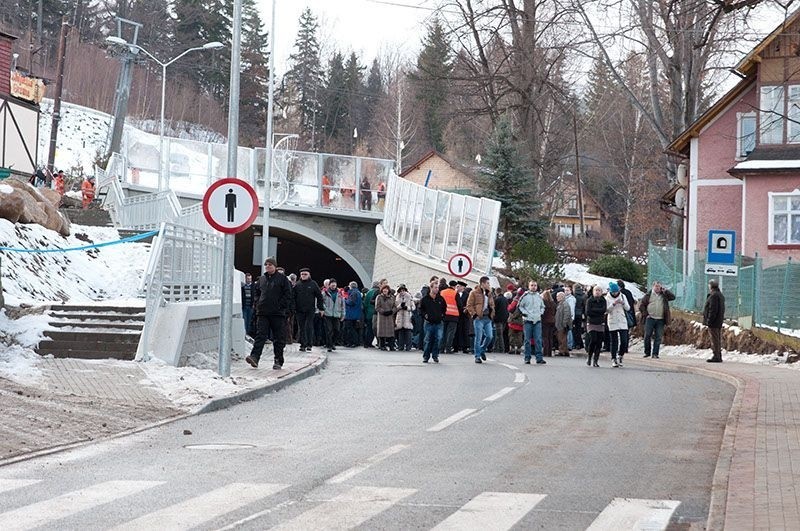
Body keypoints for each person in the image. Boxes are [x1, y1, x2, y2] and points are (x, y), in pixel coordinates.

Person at [246, 257, 293, 370]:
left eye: (270, 265)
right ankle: (255, 357)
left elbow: (288, 295)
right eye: (266, 264)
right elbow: (257, 293)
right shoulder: (262, 279)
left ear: (275, 266)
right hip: (263, 313)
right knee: (260, 335)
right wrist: (258, 303)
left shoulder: (282, 279)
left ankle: (278, 360)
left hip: (277, 314)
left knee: (278, 338)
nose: (267, 266)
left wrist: (280, 306)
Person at [639, 280, 676, 359]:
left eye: (659, 286)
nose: (657, 288)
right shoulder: (648, 295)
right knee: (647, 335)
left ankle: (655, 353)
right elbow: (641, 306)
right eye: (656, 286)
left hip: (660, 319)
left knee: (658, 336)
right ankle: (647, 352)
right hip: (650, 318)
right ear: (653, 286)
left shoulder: (664, 295)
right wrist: (646, 314)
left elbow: (673, 297)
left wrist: (666, 291)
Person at [292, 267, 325, 352]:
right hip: (299, 310)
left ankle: (309, 344)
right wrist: (293, 308)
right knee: (301, 327)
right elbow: (293, 297)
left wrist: (321, 308)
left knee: (309, 326)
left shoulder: (313, 284)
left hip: (310, 309)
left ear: (309, 275)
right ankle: (303, 344)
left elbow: (319, 296)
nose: (303, 276)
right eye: (302, 274)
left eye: (305, 274)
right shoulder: (297, 285)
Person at [466, 276, 495, 364]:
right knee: (478, 337)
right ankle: (477, 356)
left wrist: (492, 312)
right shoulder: (474, 293)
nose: (489, 285)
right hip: (479, 318)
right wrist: (474, 315)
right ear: (482, 283)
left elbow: (492, 304)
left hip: (487, 318)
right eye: (487, 283)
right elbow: (469, 305)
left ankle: (482, 349)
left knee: (490, 336)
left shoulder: (489, 293)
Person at [419, 281, 447, 363]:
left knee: (438, 339)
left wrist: (442, 316)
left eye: (438, 288)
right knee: (427, 340)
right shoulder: (425, 299)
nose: (437, 289)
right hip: (428, 323)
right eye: (435, 287)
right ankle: (426, 356)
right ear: (431, 288)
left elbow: (444, 308)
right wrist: (425, 315)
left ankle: (435, 355)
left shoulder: (441, 299)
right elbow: (420, 309)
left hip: (439, 322)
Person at [519, 281, 545, 365]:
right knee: (527, 340)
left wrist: (541, 312)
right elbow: (520, 306)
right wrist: (525, 313)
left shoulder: (539, 296)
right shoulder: (525, 296)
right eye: (532, 285)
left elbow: (542, 306)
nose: (533, 287)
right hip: (528, 320)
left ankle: (539, 358)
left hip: (537, 320)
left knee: (538, 339)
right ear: (529, 286)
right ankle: (527, 357)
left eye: (535, 285)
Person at [605, 282, 631, 367]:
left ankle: (620, 355)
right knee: (614, 341)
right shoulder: (607, 298)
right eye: (613, 292)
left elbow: (628, 308)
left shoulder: (623, 296)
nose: (615, 293)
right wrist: (613, 304)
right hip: (612, 320)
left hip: (622, 320)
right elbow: (606, 310)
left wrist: (623, 303)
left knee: (624, 340)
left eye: (616, 292)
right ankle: (613, 358)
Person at [703, 279, 726, 362]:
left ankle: (716, 356)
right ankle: (718, 355)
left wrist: (709, 320)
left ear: (711, 286)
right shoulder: (719, 295)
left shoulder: (714, 296)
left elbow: (713, 309)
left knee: (714, 339)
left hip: (714, 322)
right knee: (717, 339)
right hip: (718, 321)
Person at [585, 285, 607, 367]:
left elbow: (603, 310)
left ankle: (596, 360)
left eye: (599, 290)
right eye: (596, 290)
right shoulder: (589, 300)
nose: (597, 292)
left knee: (599, 342)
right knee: (593, 340)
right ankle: (589, 356)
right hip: (591, 322)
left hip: (600, 322)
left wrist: (595, 310)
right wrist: (598, 311)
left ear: (601, 292)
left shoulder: (603, 300)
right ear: (593, 291)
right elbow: (588, 312)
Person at [322, 278, 345, 352]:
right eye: (332, 285)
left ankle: (333, 343)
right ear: (329, 285)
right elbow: (320, 301)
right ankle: (329, 345)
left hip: (337, 314)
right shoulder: (325, 293)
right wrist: (324, 309)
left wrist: (343, 314)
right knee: (329, 330)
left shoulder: (340, 294)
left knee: (337, 330)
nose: (333, 286)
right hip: (328, 314)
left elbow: (343, 305)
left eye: (334, 285)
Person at [617, 279, 636, 357]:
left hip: (623, 314)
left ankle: (621, 348)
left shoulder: (621, 294)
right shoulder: (628, 292)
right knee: (626, 332)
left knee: (620, 332)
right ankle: (625, 347)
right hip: (629, 314)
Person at [440, 280, 460, 353]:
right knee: (450, 333)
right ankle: (448, 349)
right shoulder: (455, 293)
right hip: (453, 316)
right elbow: (459, 305)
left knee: (443, 332)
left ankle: (441, 348)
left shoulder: (442, 292)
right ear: (454, 286)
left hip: (443, 315)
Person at [375, 284, 397, 350]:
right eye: (384, 289)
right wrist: (383, 312)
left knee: (390, 332)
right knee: (382, 331)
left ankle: (391, 346)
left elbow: (395, 306)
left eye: (386, 289)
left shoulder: (392, 297)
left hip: (390, 316)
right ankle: (382, 345)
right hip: (382, 316)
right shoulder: (379, 297)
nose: (385, 290)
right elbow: (377, 307)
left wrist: (391, 311)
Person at [394, 284, 415, 351]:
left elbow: (413, 307)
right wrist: (400, 306)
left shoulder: (409, 297)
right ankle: (401, 346)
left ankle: (408, 347)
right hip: (400, 317)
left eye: (403, 290)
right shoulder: (397, 298)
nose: (402, 292)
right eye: (401, 291)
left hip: (407, 317)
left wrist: (407, 308)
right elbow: (395, 308)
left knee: (408, 333)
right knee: (400, 333)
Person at [343, 281, 363, 348]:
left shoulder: (353, 293)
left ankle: (353, 342)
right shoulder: (358, 292)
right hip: (356, 313)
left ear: (350, 286)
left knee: (350, 329)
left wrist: (345, 300)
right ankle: (354, 342)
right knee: (354, 328)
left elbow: (351, 302)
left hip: (351, 314)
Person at [554, 291, 572, 356]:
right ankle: (563, 350)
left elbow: (567, 315)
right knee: (560, 338)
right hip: (559, 324)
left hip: (562, 325)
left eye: (558, 296)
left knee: (562, 339)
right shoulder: (560, 304)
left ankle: (563, 351)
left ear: (562, 297)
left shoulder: (565, 304)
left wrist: (564, 324)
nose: (557, 298)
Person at [507, 289, 525, 355]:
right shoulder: (525, 301)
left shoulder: (516, 300)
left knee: (512, 335)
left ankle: (512, 348)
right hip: (521, 321)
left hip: (513, 320)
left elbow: (510, 309)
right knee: (519, 335)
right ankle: (519, 348)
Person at [363, 281, 380, 348]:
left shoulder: (369, 292)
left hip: (369, 313)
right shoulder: (378, 292)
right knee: (374, 329)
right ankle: (371, 343)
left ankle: (367, 342)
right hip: (376, 313)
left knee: (369, 328)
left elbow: (365, 303)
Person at [493, 287, 509, 353]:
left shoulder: (497, 300)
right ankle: (496, 347)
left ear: (496, 292)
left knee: (499, 334)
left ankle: (501, 348)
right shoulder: (505, 299)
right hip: (505, 318)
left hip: (498, 318)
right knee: (500, 334)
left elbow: (495, 309)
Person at [541, 289, 557, 357]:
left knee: (545, 337)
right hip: (552, 321)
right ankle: (549, 352)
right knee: (550, 337)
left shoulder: (544, 302)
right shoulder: (553, 303)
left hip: (545, 321)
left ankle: (545, 352)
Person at [241, 272, 256, 338]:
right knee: (245, 319)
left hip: (250, 305)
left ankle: (248, 333)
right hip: (244, 305)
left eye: (250, 279)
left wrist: (253, 304)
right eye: (248, 279)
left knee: (249, 320)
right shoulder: (242, 286)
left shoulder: (253, 286)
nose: (249, 280)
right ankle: (245, 332)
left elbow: (255, 295)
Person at [572, 284, 586, 350]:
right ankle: (580, 344)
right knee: (579, 329)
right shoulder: (584, 295)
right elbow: (584, 305)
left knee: (574, 329)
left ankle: (576, 344)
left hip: (574, 314)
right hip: (580, 314)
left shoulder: (573, 295)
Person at [564, 286, 576, 350]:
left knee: (569, 331)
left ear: (570, 291)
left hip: (569, 317)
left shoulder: (571, 299)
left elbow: (571, 309)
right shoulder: (566, 298)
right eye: (565, 290)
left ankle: (569, 345)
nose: (566, 291)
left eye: (567, 290)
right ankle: (568, 344)